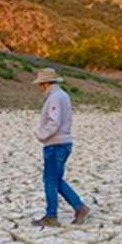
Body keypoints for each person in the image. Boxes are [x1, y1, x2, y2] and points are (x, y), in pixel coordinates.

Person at [30, 67, 91, 227]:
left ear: (46, 83)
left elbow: (54, 121)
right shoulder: (62, 95)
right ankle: (79, 207)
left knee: (50, 180)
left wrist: (41, 135)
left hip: (56, 144)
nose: (39, 88)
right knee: (56, 179)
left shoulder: (55, 97)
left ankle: (52, 216)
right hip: (63, 143)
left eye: (41, 84)